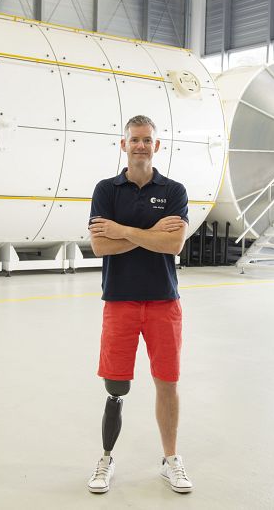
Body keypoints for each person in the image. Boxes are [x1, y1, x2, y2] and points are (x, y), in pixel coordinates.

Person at [86, 115, 193, 494]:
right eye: (135, 139)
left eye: (147, 140)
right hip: (120, 300)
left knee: (168, 383)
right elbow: (101, 246)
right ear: (123, 144)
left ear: (157, 146)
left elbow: (174, 245)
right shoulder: (106, 190)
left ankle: (171, 460)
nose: (141, 145)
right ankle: (105, 460)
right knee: (116, 386)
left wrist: (123, 231)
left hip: (164, 300)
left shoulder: (175, 190)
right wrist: (150, 234)